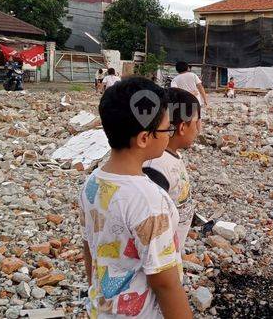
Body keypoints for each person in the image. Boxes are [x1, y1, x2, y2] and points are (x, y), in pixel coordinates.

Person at [79, 77, 192, 318]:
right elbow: (164, 282)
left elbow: (89, 245)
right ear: (143, 138)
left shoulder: (92, 182)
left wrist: (95, 291)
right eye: (166, 129)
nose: (168, 135)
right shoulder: (150, 200)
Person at [142, 88, 200, 253]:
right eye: (196, 122)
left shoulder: (171, 156)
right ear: (182, 127)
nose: (198, 129)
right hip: (161, 259)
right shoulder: (155, 166)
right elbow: (152, 228)